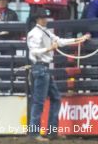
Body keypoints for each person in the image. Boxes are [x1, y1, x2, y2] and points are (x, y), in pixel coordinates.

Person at [27, 8, 90, 141]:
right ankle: (35, 133)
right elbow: (34, 51)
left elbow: (60, 41)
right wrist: (49, 48)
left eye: (45, 16)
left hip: (43, 70)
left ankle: (51, 131)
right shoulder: (34, 33)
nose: (45, 19)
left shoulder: (45, 32)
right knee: (40, 101)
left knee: (53, 99)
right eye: (43, 17)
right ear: (37, 19)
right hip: (40, 68)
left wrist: (78, 39)